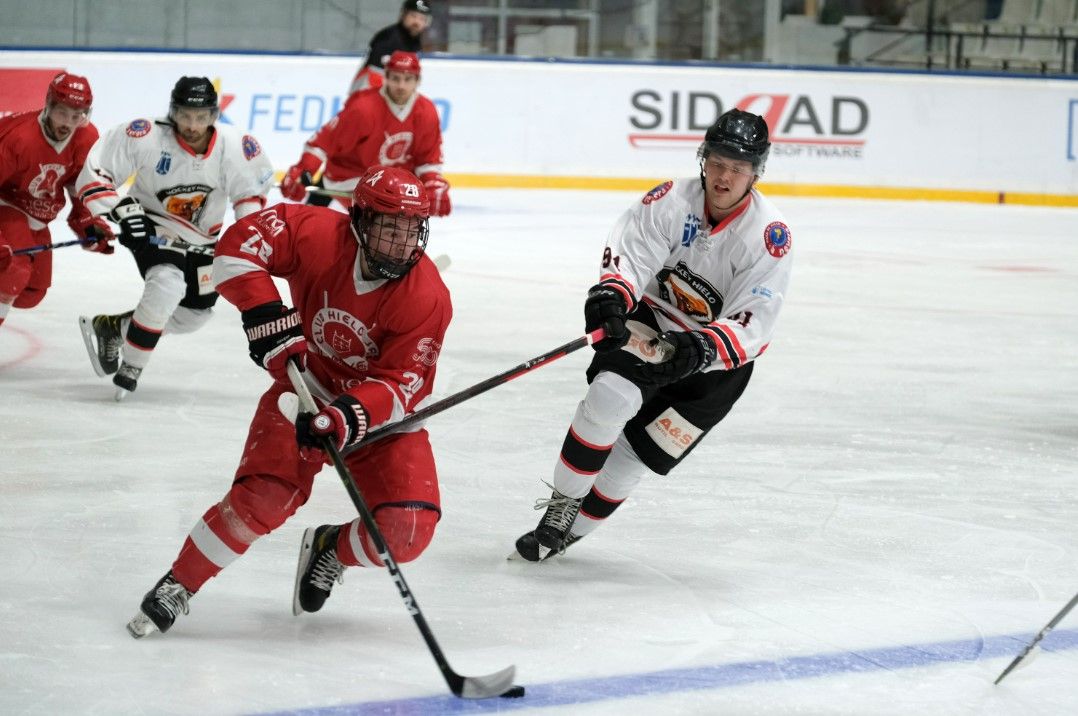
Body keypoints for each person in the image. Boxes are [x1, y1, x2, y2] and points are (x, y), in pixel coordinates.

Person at [125, 166, 452, 638]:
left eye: (411, 230)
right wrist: (264, 311)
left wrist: (347, 415)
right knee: (264, 498)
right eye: (389, 228)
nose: (401, 244)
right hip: (304, 388)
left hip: (379, 420)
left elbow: (403, 385)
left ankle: (329, 549)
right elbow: (235, 247)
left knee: (407, 531)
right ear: (360, 220)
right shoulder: (314, 232)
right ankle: (180, 582)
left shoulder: (427, 297)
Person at [512, 108, 793, 562]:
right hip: (653, 326)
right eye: (718, 162)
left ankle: (570, 534)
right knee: (608, 399)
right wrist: (612, 294)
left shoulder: (768, 236)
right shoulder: (669, 201)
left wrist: (704, 346)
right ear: (703, 159)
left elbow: (755, 318)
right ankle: (559, 513)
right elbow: (632, 255)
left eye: (738, 168)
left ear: (755, 174)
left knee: (635, 455)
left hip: (716, 365)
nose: (724, 177)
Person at [75, 76, 274, 399]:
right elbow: (96, 173)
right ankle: (133, 366)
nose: (192, 126)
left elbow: (249, 198)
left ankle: (115, 329)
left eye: (201, 117)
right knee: (167, 284)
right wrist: (122, 211)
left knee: (194, 315)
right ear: (172, 111)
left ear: (214, 115)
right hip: (152, 222)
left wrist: (247, 242)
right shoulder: (146, 135)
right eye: (184, 115)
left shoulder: (236, 146)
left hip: (203, 238)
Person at [0, 72, 112, 330]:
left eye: (77, 115)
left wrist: (88, 223)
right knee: (13, 271)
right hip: (6, 204)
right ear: (49, 106)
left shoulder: (86, 136)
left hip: (38, 214)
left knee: (31, 292)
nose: (68, 123)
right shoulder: (19, 138)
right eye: (62, 113)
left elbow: (79, 185)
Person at [280, 51, 451, 217]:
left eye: (408, 79)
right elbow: (323, 143)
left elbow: (427, 159)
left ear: (418, 80)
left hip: (395, 183)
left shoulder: (426, 111)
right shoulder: (363, 108)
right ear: (386, 77)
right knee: (378, 224)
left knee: (395, 225)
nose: (401, 85)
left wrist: (433, 183)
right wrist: (303, 170)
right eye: (395, 78)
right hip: (351, 178)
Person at [348, 0, 432, 97]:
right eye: (413, 16)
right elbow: (374, 74)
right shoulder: (388, 38)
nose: (417, 22)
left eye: (422, 19)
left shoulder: (414, 41)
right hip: (367, 92)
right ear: (403, 15)